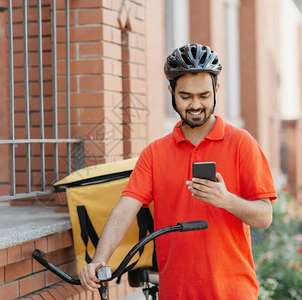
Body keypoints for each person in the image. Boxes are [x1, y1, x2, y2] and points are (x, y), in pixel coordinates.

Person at [79, 43, 277, 299]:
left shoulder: (241, 143)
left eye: (204, 95)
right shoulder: (155, 153)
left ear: (216, 90)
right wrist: (99, 260)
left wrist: (225, 199)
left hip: (233, 292)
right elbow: (124, 210)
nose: (196, 105)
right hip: (176, 293)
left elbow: (264, 217)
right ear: (171, 91)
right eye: (186, 96)